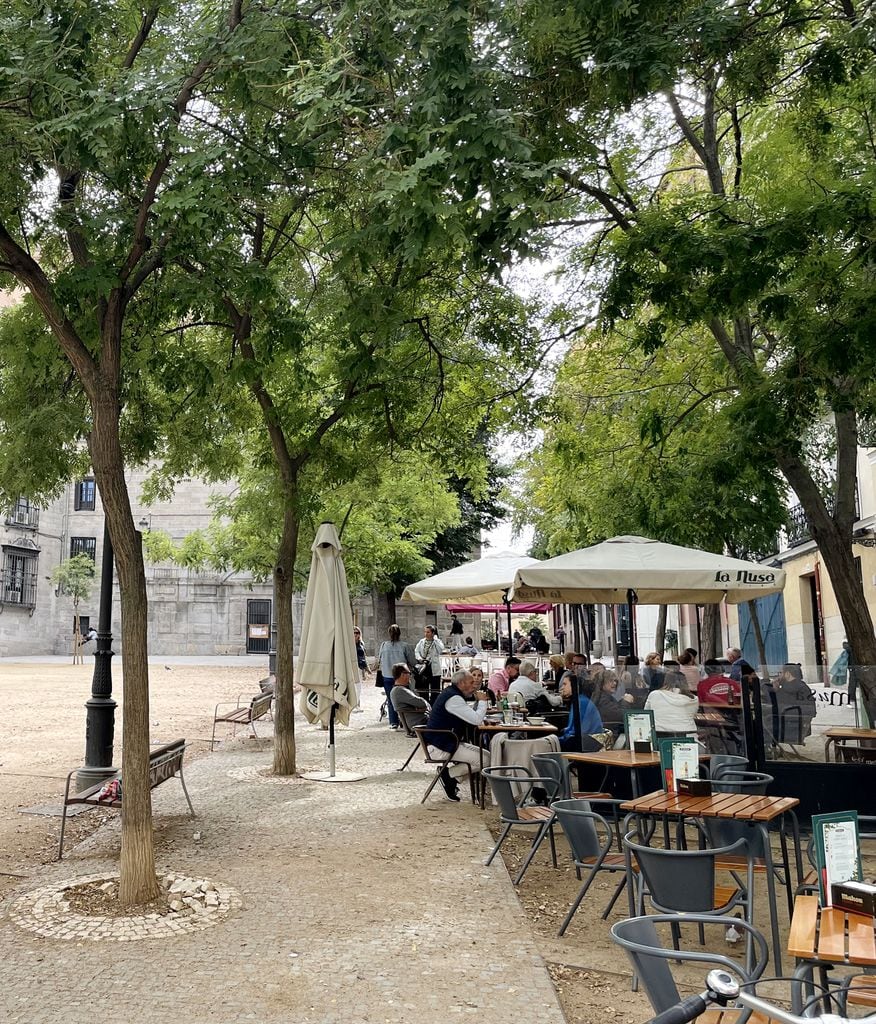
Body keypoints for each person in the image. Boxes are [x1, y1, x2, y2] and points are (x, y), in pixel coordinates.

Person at [425, 668, 491, 801]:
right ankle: (449, 775)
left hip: (447, 741)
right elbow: (476, 720)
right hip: (440, 745)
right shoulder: (454, 698)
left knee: (488, 756)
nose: (474, 685)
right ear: (461, 683)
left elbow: (469, 715)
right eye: (471, 682)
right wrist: (483, 701)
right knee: (485, 760)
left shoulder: (453, 694)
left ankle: (449, 777)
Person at [377, 624, 417, 730]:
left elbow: (379, 659)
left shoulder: (383, 645)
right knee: (406, 698)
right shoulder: (405, 646)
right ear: (400, 633)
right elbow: (412, 661)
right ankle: (406, 721)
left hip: (387, 675)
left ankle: (393, 722)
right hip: (401, 676)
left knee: (391, 699)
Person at [557, 671, 604, 750]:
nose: (562, 688)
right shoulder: (579, 700)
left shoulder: (581, 702)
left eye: (565, 684)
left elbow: (577, 732)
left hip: (586, 744)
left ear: (574, 685)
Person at [645, 669, 699, 736]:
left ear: (666, 681)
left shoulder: (654, 694)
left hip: (660, 735)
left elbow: (646, 714)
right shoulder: (694, 699)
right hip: (687, 735)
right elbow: (692, 714)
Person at [389, 663, 430, 731]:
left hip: (418, 722)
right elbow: (423, 703)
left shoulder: (397, 690)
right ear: (403, 674)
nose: (410, 676)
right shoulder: (400, 691)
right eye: (409, 673)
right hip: (420, 723)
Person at [414, 625, 444, 698]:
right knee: (424, 690)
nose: (426, 634)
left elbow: (441, 650)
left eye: (428, 632)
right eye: (425, 632)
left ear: (433, 633)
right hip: (424, 668)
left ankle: (434, 706)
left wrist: (436, 639)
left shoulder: (437, 642)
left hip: (434, 669)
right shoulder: (421, 641)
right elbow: (416, 651)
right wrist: (420, 658)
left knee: (435, 691)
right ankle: (425, 705)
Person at [352, 626, 367, 713]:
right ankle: (354, 705)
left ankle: (357, 705)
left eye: (357, 633)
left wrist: (366, 670)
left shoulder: (361, 644)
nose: (356, 634)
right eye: (354, 633)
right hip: (352, 667)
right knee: (354, 687)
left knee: (358, 687)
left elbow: (364, 657)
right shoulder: (349, 644)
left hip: (360, 667)